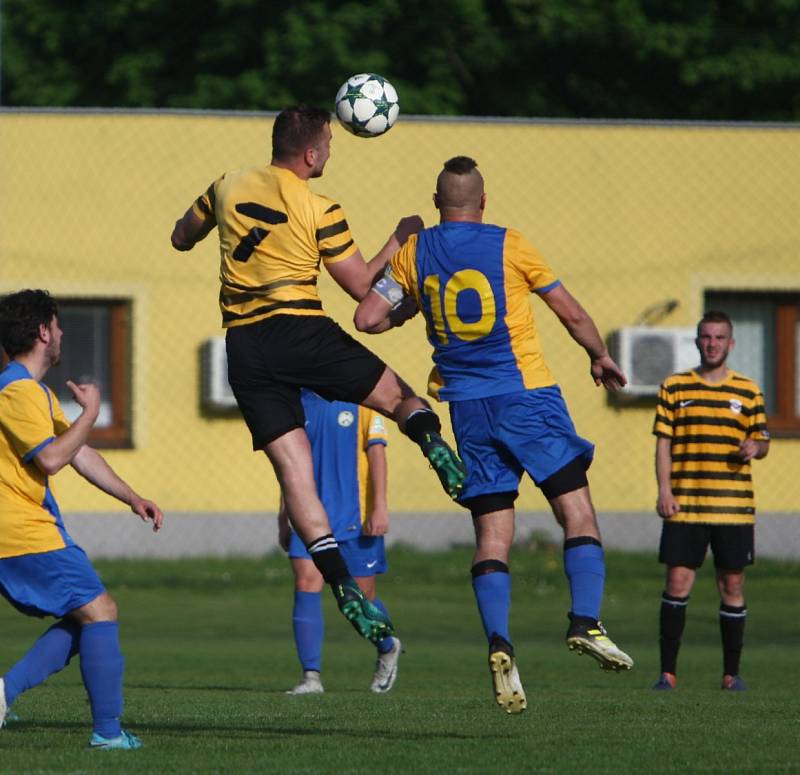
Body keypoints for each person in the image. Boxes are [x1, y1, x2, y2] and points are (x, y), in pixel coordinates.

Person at [170, 106, 464, 650]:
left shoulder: (225, 185)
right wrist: (400, 240)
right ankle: (435, 448)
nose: (331, 149)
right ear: (309, 154)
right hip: (302, 331)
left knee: (295, 474)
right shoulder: (320, 206)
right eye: (329, 142)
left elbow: (180, 237)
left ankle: (339, 584)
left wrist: (203, 229)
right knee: (400, 398)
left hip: (245, 347)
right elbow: (360, 287)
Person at [355, 156, 634, 715]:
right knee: (577, 513)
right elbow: (569, 311)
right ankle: (585, 620)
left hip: (467, 409)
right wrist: (599, 355)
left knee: (492, 535)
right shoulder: (511, 243)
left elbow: (368, 319)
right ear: (484, 201)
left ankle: (500, 643)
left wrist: (401, 263)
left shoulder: (417, 252)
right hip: (526, 396)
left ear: (437, 204)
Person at [0, 289, 164, 750]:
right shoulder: (17, 392)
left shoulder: (32, 392)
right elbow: (53, 458)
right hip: (20, 533)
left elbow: (79, 453)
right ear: (42, 332)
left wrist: (132, 497)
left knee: (87, 619)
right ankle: (108, 734)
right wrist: (92, 411)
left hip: (20, 533)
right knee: (101, 611)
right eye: (58, 324)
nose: (63, 333)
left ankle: (4, 694)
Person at [652, 310, 769, 692]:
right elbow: (663, 444)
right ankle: (667, 674)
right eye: (706, 337)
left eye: (720, 337)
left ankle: (731, 674)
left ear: (731, 343)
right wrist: (665, 490)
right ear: (698, 341)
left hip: (733, 508)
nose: (712, 343)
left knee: (732, 586)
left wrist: (757, 446)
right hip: (685, 505)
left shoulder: (748, 390)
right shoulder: (675, 387)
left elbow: (762, 440)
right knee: (677, 582)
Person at [278, 389, 401, 695]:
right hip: (307, 514)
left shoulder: (363, 399)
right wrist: (284, 514)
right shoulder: (293, 403)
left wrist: (380, 507)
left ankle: (387, 647)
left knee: (362, 595)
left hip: (354, 517)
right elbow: (287, 465)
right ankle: (311, 678)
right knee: (307, 583)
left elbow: (377, 454)